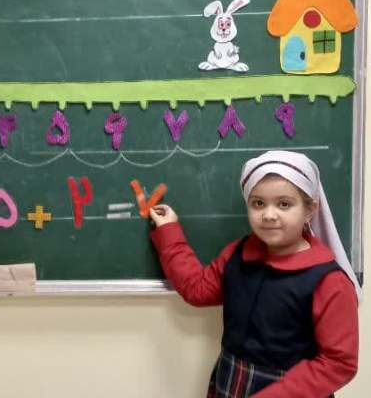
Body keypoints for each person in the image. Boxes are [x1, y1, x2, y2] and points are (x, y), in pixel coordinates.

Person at [148, 150, 360, 398]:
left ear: (310, 209)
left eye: (284, 204)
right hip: (232, 383)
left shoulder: (329, 281)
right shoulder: (238, 254)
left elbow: (338, 363)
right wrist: (169, 231)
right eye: (258, 203)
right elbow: (197, 288)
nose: (269, 215)